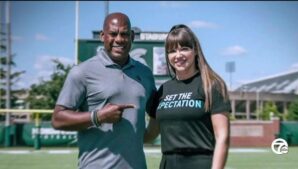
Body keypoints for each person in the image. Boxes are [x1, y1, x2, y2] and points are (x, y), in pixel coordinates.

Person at [51, 12, 156, 169]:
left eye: (124, 34)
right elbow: (57, 119)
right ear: (102, 36)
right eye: (113, 34)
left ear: (132, 36)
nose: (119, 39)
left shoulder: (145, 73)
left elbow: (156, 115)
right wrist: (98, 116)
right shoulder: (82, 72)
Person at [145, 24, 231, 169]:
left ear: (195, 50)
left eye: (184, 49)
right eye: (172, 51)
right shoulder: (163, 90)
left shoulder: (212, 85)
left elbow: (223, 137)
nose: (178, 55)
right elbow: (150, 134)